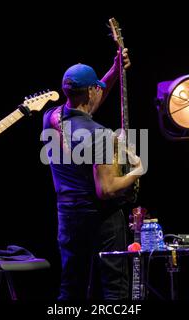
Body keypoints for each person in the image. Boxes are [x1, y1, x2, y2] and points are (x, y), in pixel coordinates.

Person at [42, 48, 144, 300]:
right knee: (114, 287)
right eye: (96, 88)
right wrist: (140, 168)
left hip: (68, 217)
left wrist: (115, 70)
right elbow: (107, 189)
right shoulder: (100, 134)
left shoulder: (51, 118)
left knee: (71, 287)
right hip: (101, 220)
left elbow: (88, 106)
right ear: (90, 91)